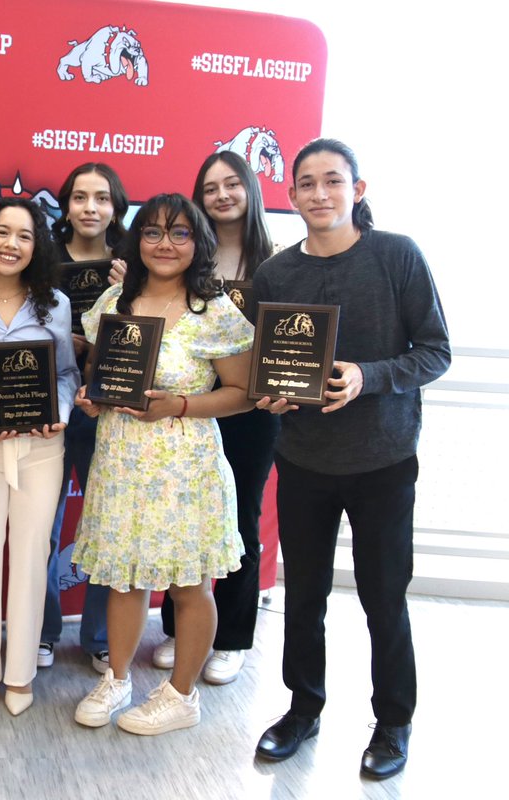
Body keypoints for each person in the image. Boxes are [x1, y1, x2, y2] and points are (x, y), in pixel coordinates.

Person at [252, 138, 449, 780]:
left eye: (332, 181)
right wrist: (271, 397)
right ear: (291, 197)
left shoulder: (397, 255)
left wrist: (369, 377)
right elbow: (265, 372)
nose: (318, 194)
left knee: (383, 597)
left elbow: (435, 352)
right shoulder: (277, 275)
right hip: (305, 461)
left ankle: (393, 721)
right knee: (303, 596)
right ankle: (302, 708)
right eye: (305, 184)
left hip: (383, 462)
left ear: (357, 190)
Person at [71, 194, 253, 736]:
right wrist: (94, 398)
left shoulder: (213, 311)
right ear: (137, 241)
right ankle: (119, 679)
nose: (164, 244)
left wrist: (179, 405)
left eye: (179, 234)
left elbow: (243, 393)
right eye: (152, 233)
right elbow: (105, 380)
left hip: (185, 466)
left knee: (188, 586)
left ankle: (181, 696)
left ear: (197, 243)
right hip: (121, 458)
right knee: (124, 578)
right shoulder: (112, 303)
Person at [152, 151, 280, 684]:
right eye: (210, 187)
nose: (222, 195)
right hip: (184, 409)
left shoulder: (278, 264)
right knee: (182, 517)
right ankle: (180, 630)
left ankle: (230, 638)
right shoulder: (187, 257)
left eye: (232, 184)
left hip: (251, 412)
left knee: (239, 519)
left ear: (250, 190)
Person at [0, 198, 80, 716]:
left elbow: (67, 374)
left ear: (36, 246)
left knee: (30, 555)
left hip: (42, 448)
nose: (11, 244)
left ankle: (21, 672)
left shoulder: (55, 305)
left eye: (24, 236)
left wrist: (62, 409)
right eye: (2, 232)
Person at [40, 163, 129, 674]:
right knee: (43, 530)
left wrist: (128, 288)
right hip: (48, 405)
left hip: (108, 411)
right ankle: (45, 632)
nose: (90, 208)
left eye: (101, 198)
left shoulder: (134, 262)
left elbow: (148, 339)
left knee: (105, 526)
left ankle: (98, 635)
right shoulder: (43, 259)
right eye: (79, 197)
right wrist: (59, 342)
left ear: (115, 206)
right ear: (66, 204)